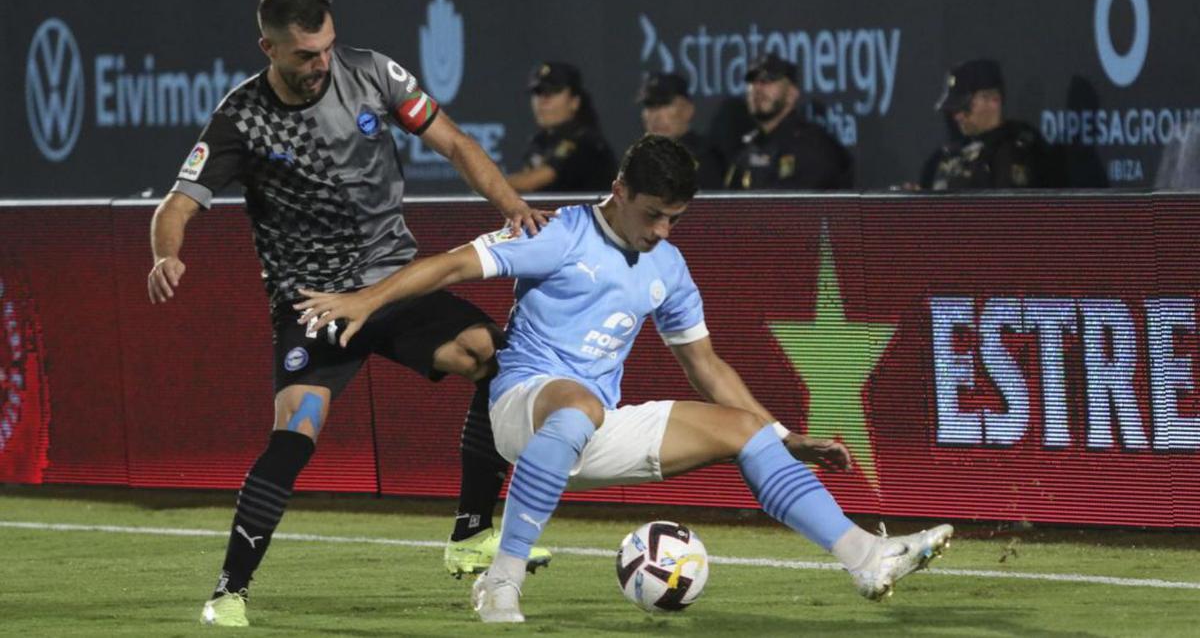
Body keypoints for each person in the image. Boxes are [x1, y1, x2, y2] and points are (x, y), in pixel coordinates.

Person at [295, 135, 954, 624]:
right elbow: (447, 267)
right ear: (619, 190)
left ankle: (866, 556)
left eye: (675, 219)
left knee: (743, 429)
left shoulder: (667, 264)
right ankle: (500, 580)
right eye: (654, 215)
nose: (663, 231)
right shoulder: (557, 234)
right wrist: (363, 301)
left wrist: (785, 435)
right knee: (577, 401)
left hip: (594, 427)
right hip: (522, 408)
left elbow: (706, 365)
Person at [147, 0, 552, 627]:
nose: (321, 65)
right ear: (269, 48)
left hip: (390, 285)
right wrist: (166, 254)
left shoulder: (372, 72)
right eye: (305, 55)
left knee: (494, 358)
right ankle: (228, 590)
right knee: (296, 432)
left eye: (327, 48)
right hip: (314, 307)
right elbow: (178, 205)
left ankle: (472, 532)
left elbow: (452, 141)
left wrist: (512, 208)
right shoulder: (240, 117)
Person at [923, 59, 1057, 191]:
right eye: (955, 109)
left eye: (965, 107)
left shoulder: (1014, 151)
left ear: (994, 101)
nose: (957, 116)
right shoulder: (952, 150)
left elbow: (1009, 209)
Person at [726, 53, 853, 190]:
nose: (757, 88)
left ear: (792, 94)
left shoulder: (813, 146)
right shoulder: (748, 148)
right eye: (752, 81)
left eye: (767, 80)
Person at [507, 61, 617, 194]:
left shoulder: (586, 142)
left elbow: (530, 182)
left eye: (552, 92)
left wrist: (485, 182)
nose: (543, 100)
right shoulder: (539, 141)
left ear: (574, 102)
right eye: (538, 92)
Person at [638, 72, 723, 192]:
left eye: (664, 104)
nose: (656, 116)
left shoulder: (706, 157)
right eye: (650, 105)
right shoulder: (637, 161)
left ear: (687, 109)